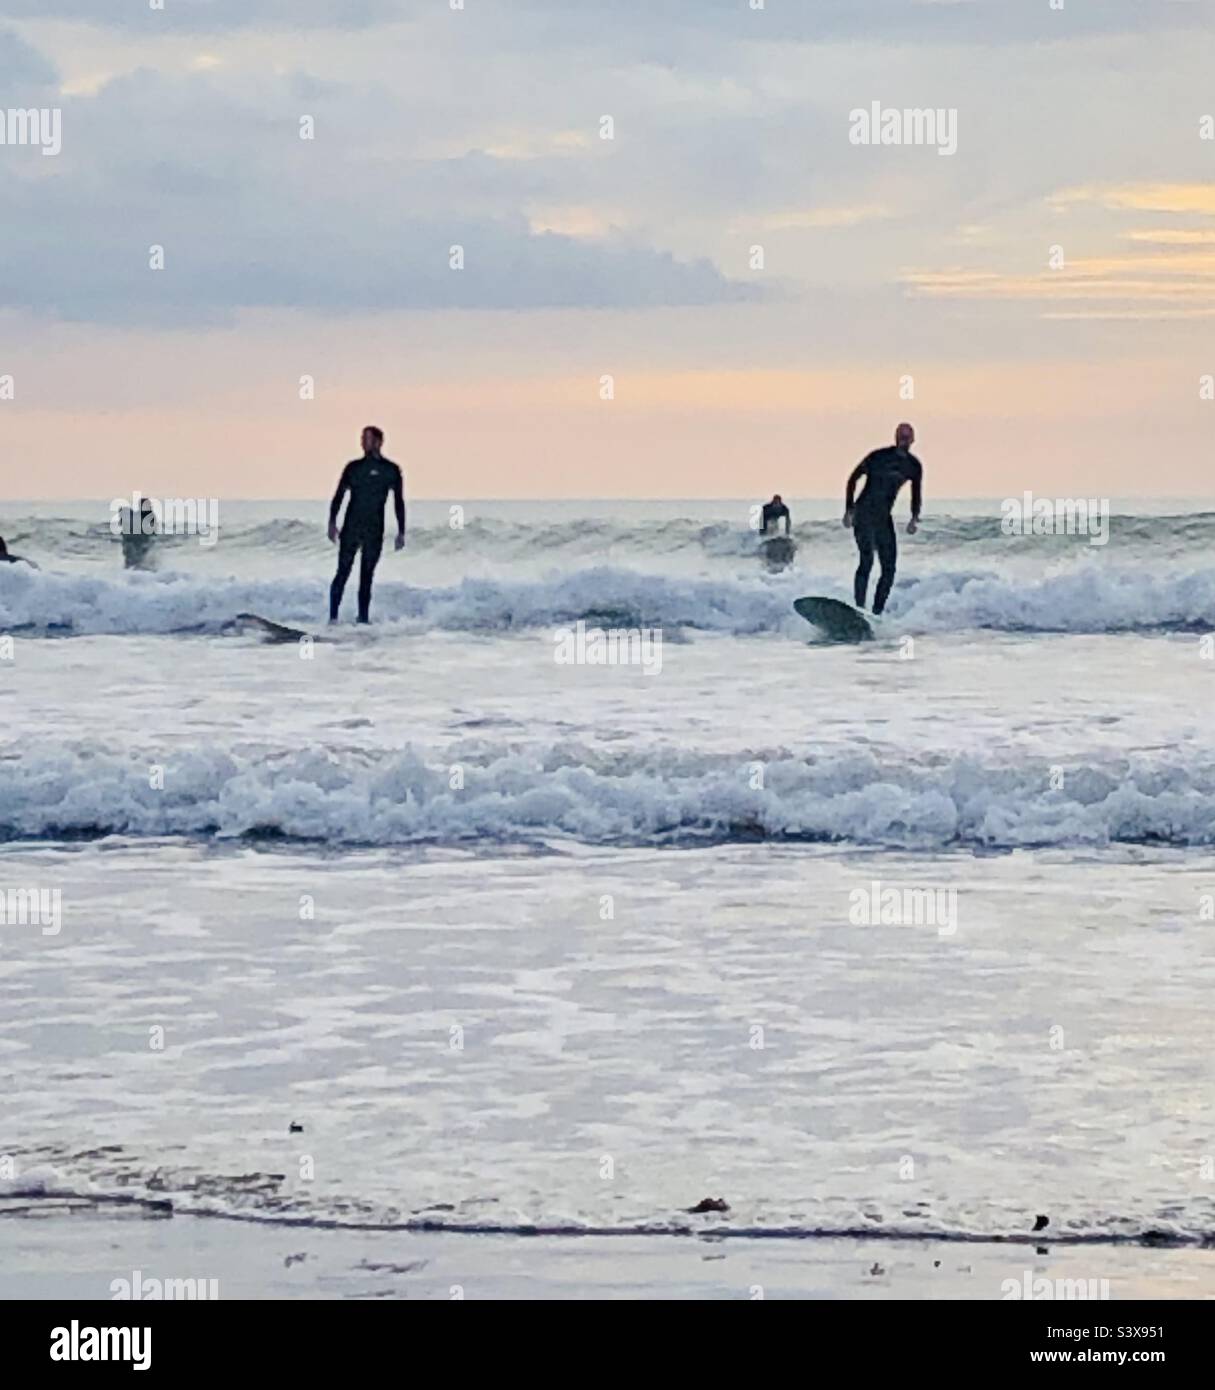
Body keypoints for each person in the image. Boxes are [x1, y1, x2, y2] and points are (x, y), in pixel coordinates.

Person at [328, 426, 405, 624]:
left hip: (374, 529)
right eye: (362, 439)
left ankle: (363, 620)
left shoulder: (391, 470)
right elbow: (339, 496)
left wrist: (401, 531)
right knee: (342, 572)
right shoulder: (353, 468)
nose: (362, 442)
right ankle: (333, 619)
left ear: (379, 442)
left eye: (367, 439)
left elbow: (398, 502)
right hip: (352, 526)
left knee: (366, 576)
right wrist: (332, 522)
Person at [843, 423, 923, 615]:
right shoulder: (878, 457)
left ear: (912, 440)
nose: (903, 439)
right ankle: (859, 608)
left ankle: (876, 613)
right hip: (863, 513)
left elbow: (916, 493)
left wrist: (914, 517)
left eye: (907, 436)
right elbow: (853, 479)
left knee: (890, 568)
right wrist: (849, 510)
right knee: (867, 560)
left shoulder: (913, 466)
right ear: (895, 437)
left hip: (883, 518)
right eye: (900, 436)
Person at [118, 497, 157, 569]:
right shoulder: (142, 516)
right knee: (134, 562)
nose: (150, 507)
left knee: (133, 563)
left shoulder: (146, 516)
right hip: (134, 542)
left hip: (136, 543)